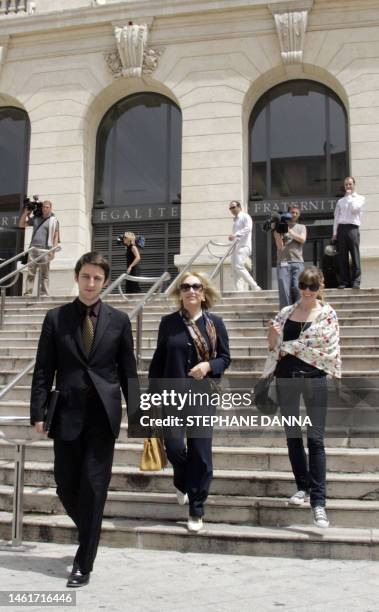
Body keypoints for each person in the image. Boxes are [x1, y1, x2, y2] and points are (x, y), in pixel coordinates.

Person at [30, 252, 140, 587]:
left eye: (97, 278)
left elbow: (128, 371)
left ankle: (83, 561)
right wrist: (38, 412)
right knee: (65, 485)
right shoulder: (56, 318)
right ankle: (90, 530)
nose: (91, 283)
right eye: (86, 276)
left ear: (105, 282)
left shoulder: (119, 320)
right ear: (77, 277)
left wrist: (138, 415)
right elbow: (43, 369)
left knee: (94, 487)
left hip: (102, 417)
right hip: (66, 414)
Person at [148, 271, 231, 532]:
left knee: (201, 453)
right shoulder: (168, 323)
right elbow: (158, 361)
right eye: (185, 286)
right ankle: (182, 479)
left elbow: (225, 358)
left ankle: (196, 507)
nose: (191, 290)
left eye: (196, 286)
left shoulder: (215, 324)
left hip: (202, 395)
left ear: (203, 292)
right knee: (173, 447)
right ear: (180, 293)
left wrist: (208, 365)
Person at [264, 266, 341, 528]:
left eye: (312, 286)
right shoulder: (286, 313)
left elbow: (327, 348)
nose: (307, 291)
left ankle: (318, 503)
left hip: (315, 379)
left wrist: (291, 346)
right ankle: (303, 485)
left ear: (321, 286)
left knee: (316, 440)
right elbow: (273, 346)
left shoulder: (328, 315)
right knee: (293, 436)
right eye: (303, 286)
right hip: (286, 378)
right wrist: (273, 334)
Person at [18, 200, 60, 296]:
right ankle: (28, 293)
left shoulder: (54, 221)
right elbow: (21, 225)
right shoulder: (36, 218)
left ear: (50, 208)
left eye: (47, 207)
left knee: (44, 274)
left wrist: (53, 251)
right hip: (33, 249)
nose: (45, 208)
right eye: (44, 207)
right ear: (42, 207)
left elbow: (55, 237)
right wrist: (25, 213)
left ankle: (44, 293)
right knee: (30, 273)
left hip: (45, 250)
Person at [332, 176, 365, 289]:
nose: (348, 186)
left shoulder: (360, 198)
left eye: (350, 184)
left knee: (355, 256)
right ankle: (344, 281)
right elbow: (336, 217)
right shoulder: (340, 201)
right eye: (346, 184)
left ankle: (356, 281)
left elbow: (354, 209)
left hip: (353, 229)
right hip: (341, 229)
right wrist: (334, 233)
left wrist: (350, 197)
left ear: (354, 185)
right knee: (342, 257)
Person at [274, 204, 307, 309]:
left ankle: (299, 313)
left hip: (298, 262)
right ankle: (285, 316)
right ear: (288, 213)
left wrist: (289, 231)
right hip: (283, 262)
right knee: (284, 291)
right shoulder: (280, 227)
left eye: (297, 213)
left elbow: (302, 239)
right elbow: (280, 246)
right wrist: (278, 232)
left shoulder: (301, 227)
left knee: (298, 289)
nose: (294, 215)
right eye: (292, 212)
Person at [228, 200, 261, 291]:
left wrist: (235, 235)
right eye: (230, 208)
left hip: (244, 246)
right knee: (235, 270)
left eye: (233, 207)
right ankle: (239, 291)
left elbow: (248, 228)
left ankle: (254, 286)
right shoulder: (235, 220)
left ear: (239, 207)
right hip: (236, 247)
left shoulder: (245, 216)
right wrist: (233, 238)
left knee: (238, 266)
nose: (232, 209)